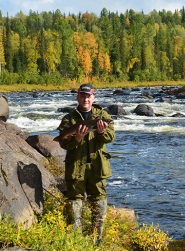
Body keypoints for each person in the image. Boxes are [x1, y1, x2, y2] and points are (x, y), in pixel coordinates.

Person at [57, 83, 116, 244]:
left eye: (88, 96)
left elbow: (111, 137)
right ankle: (76, 240)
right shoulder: (69, 118)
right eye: (82, 96)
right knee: (75, 200)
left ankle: (97, 239)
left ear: (93, 98)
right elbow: (63, 144)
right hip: (76, 166)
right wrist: (76, 138)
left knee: (99, 199)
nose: (85, 99)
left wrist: (102, 132)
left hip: (98, 166)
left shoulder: (103, 115)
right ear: (78, 97)